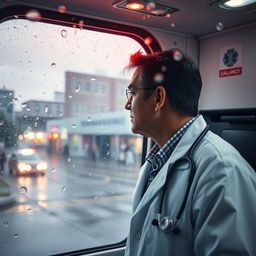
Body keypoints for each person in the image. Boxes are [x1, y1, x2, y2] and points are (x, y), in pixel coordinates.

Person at [124, 49, 256, 256]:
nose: (127, 104)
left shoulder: (221, 170)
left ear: (158, 97)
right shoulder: (154, 164)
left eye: (132, 93)